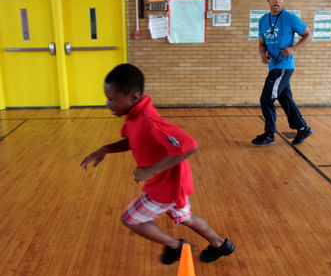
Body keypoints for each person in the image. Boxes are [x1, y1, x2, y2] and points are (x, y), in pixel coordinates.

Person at [80, 64, 235, 264]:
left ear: (133, 98)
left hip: (166, 187)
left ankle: (175, 246)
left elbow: (189, 146)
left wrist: (149, 171)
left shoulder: (148, 120)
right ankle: (220, 244)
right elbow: (133, 141)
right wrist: (106, 149)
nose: (108, 104)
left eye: (112, 99)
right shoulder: (135, 117)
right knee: (187, 218)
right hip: (172, 184)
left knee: (131, 218)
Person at [252, 0, 313, 147]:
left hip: (284, 66)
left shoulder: (290, 18)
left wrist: (293, 49)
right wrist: (262, 55)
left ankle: (269, 133)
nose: (276, 1)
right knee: (285, 99)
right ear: (268, 0)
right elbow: (261, 44)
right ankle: (303, 128)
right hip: (273, 65)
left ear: (283, 0)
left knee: (266, 98)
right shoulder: (263, 20)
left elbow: (308, 35)